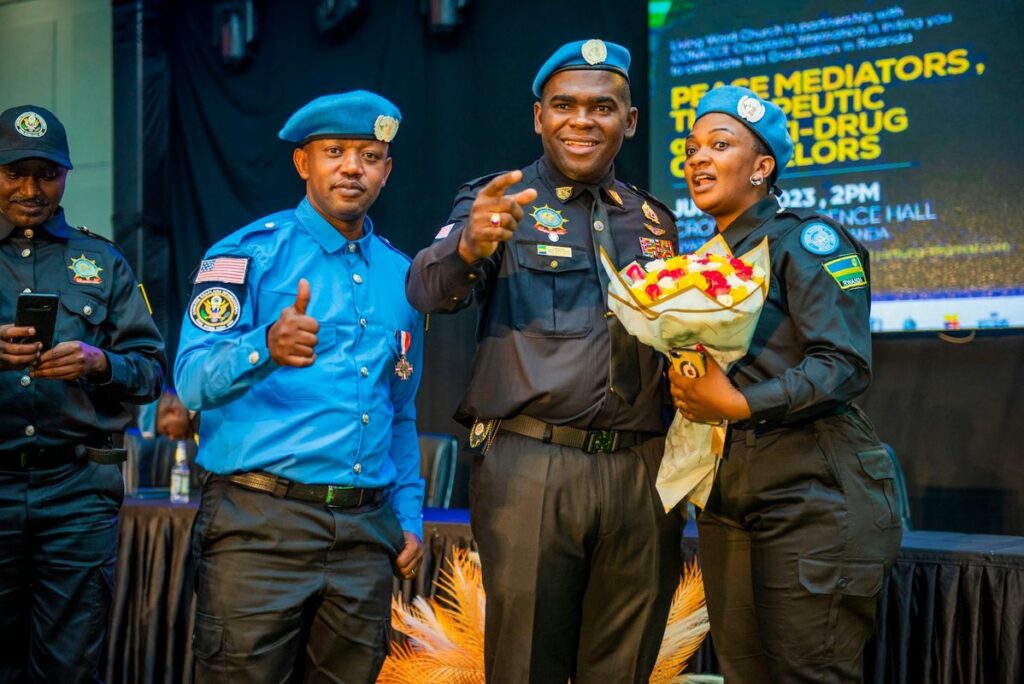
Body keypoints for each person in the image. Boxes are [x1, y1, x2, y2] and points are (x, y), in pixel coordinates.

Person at [406, 40, 683, 683]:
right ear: (539, 117)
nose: (581, 121)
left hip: (643, 472)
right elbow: (426, 289)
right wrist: (470, 247)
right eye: (564, 106)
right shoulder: (498, 201)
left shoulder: (654, 220)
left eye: (601, 107)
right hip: (533, 466)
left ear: (630, 120)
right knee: (526, 665)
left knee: (625, 665)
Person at [175, 90, 424, 682]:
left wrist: (409, 514)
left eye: (369, 155)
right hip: (259, 524)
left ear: (386, 171)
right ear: (302, 163)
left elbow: (401, 409)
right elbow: (189, 382)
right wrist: (266, 345)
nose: (351, 167)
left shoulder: (403, 274)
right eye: (333, 151)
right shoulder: (245, 257)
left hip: (365, 535)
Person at [668, 85, 902, 682]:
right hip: (726, 496)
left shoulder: (807, 240)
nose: (698, 159)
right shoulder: (703, 263)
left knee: (807, 674)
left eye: (719, 146)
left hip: (813, 489)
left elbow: (843, 363)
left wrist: (740, 402)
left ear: (763, 167)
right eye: (692, 148)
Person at [0, 104, 166, 681]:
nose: (31, 188)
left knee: (71, 664)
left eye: (46, 174)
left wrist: (99, 363)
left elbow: (150, 372)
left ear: (65, 176)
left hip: (76, 492)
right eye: (14, 172)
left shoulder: (101, 261)